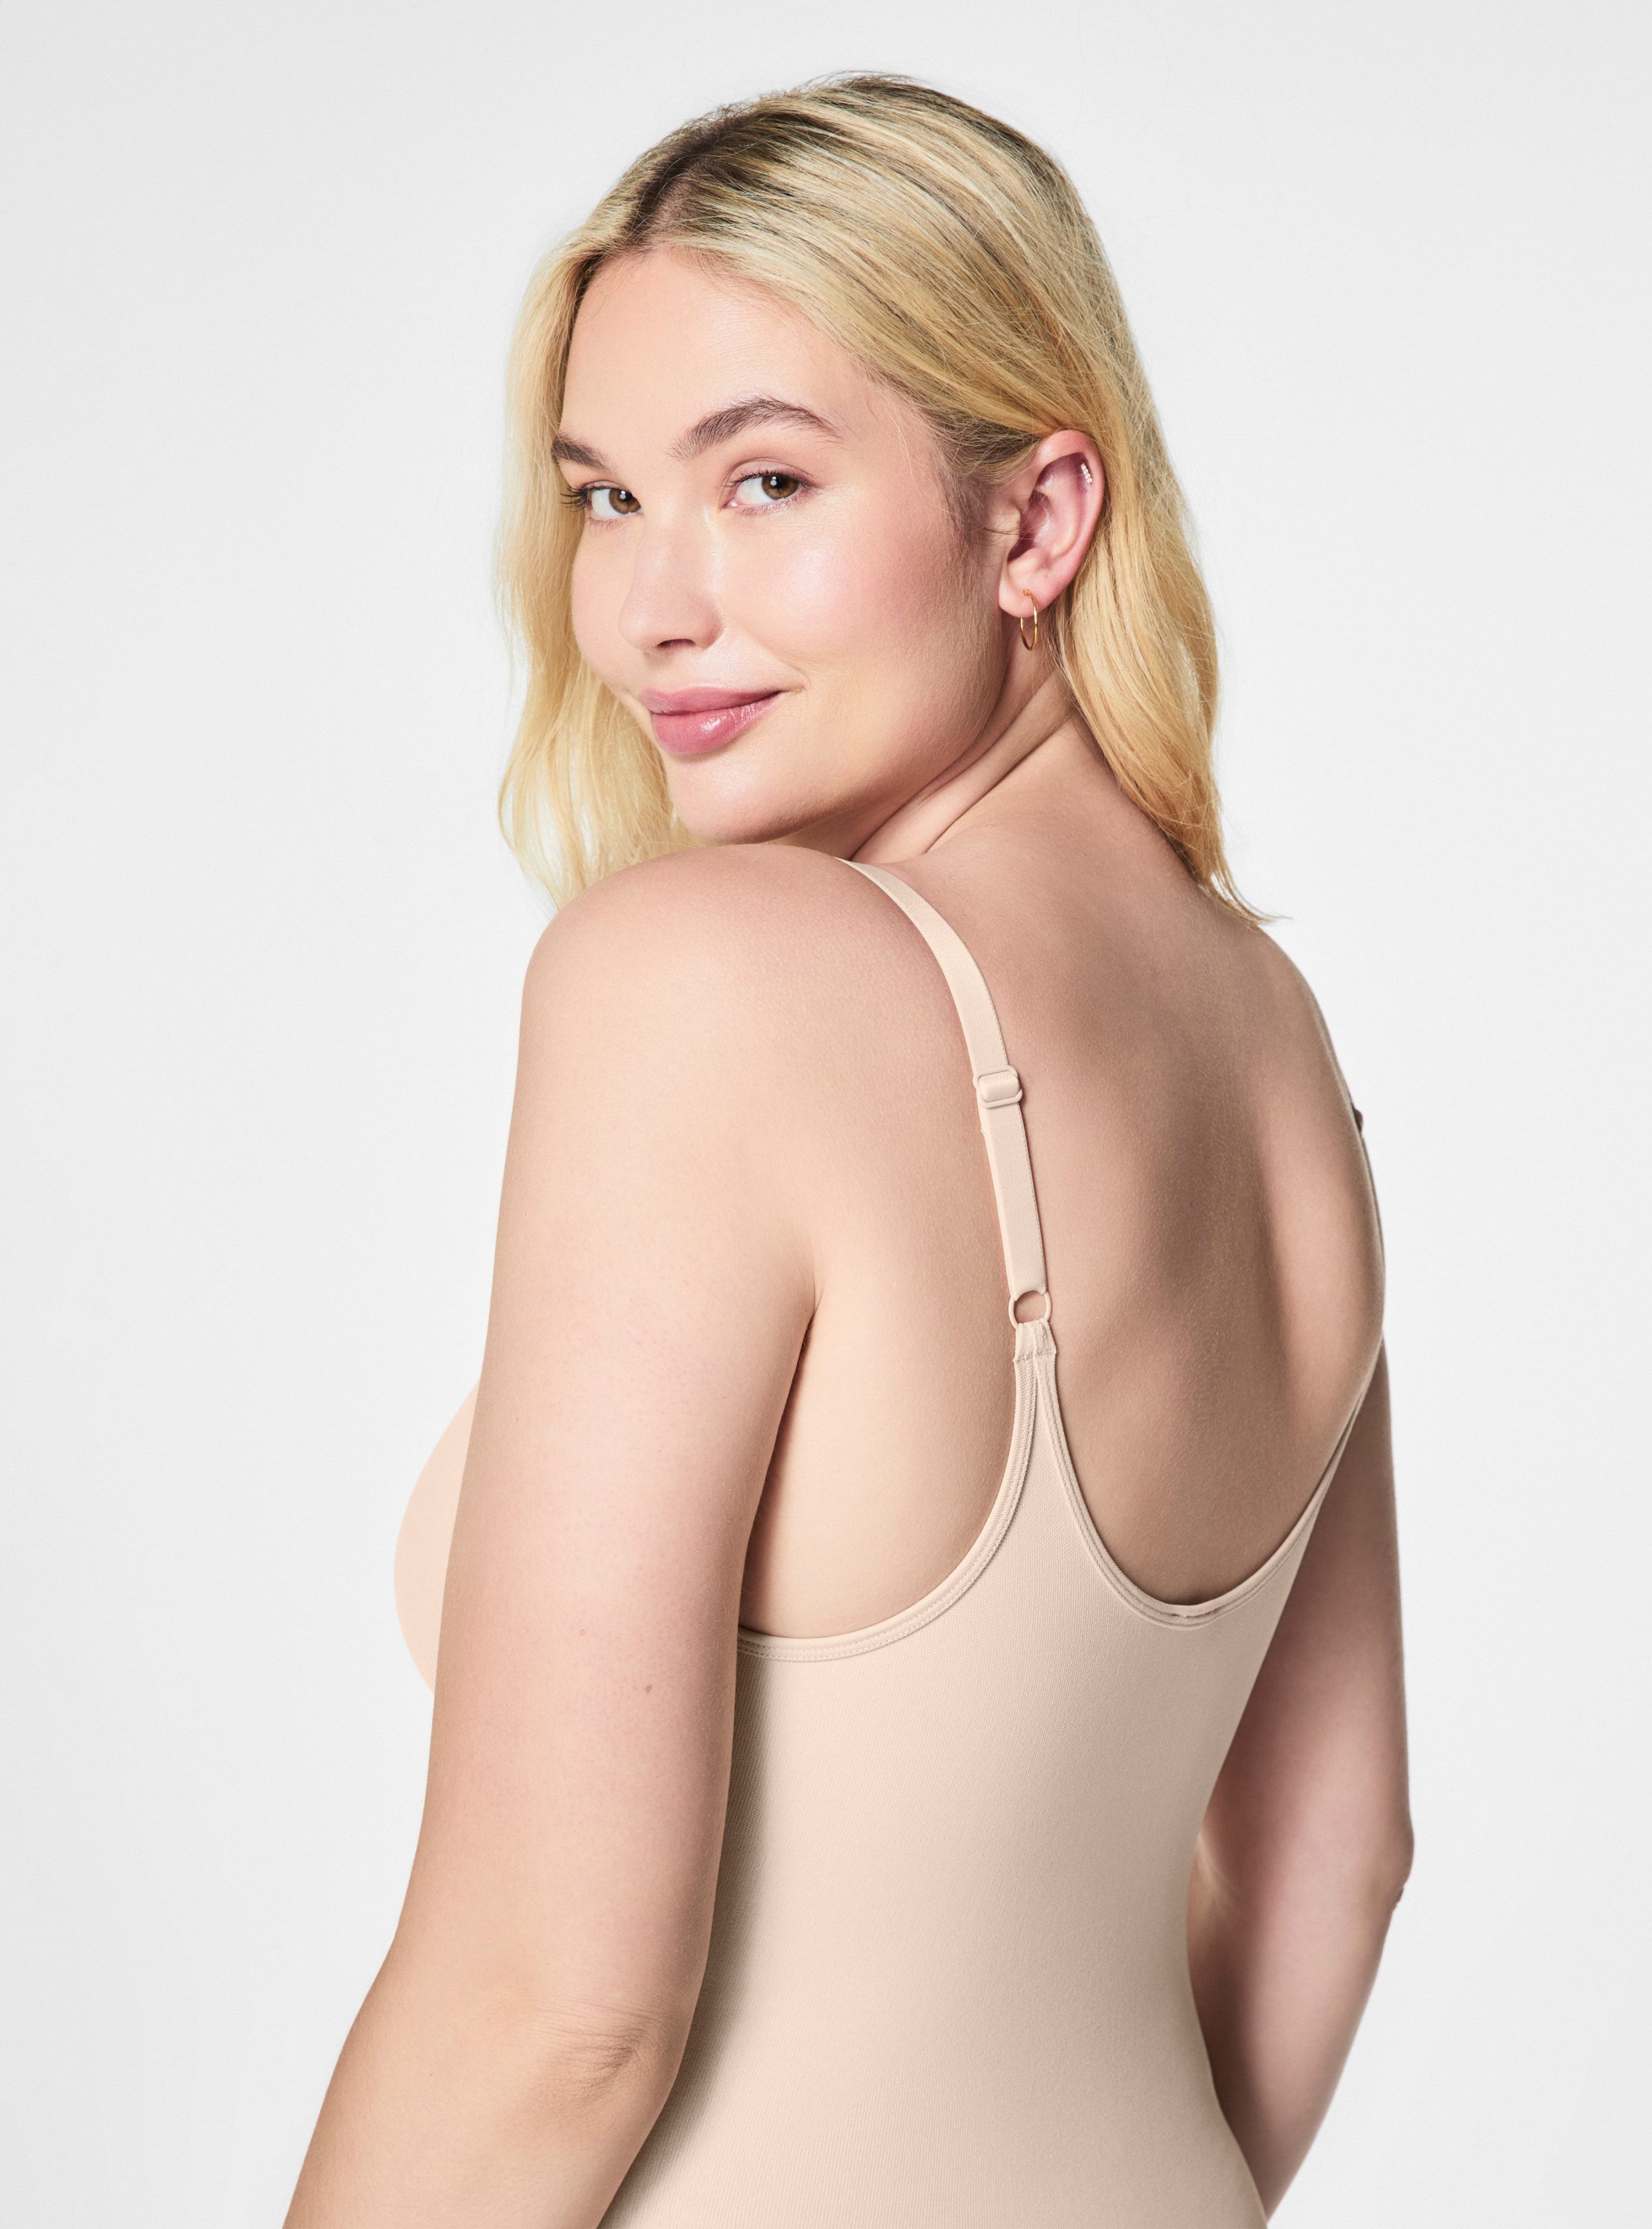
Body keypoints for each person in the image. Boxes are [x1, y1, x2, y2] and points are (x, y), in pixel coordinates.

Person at [285, 73, 1412, 2229]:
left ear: (1036, 520)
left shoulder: (711, 978)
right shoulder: (1271, 1038)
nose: (649, 610)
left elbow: (549, 2017)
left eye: (766, 482)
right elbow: (1334, 1864)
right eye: (606, 498)